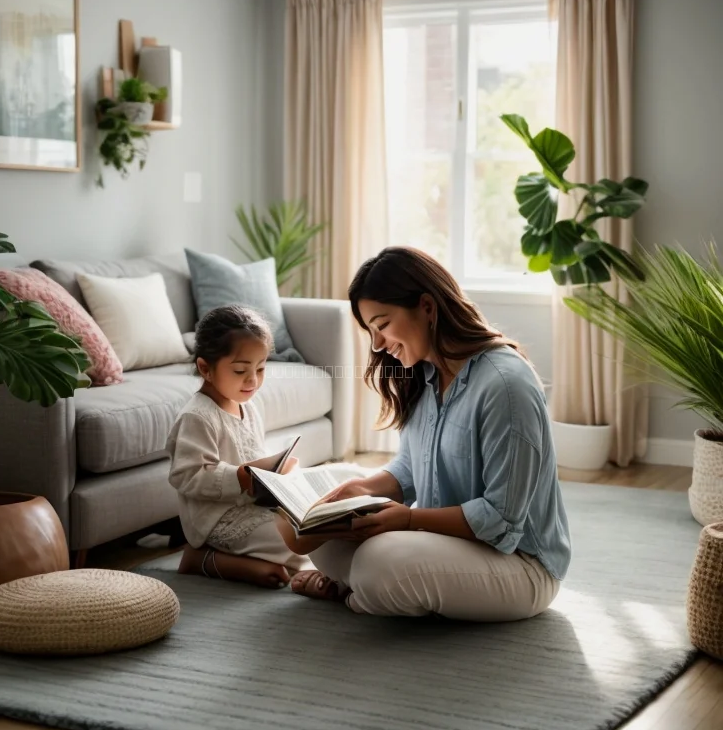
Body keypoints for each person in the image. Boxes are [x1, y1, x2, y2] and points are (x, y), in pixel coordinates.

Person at [279, 246, 572, 620]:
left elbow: (500, 519)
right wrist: (360, 490)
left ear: (427, 307)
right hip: (447, 544)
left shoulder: (505, 385)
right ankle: (369, 585)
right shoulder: (424, 375)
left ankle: (355, 589)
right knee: (309, 495)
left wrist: (409, 520)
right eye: (371, 331)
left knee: (377, 561)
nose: (377, 344)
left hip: (519, 564)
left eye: (382, 325)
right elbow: (410, 469)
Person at [166, 304, 306, 588]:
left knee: (311, 523)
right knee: (297, 542)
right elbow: (187, 475)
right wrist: (241, 476)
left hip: (252, 507)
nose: (253, 380)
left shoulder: (247, 405)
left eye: (261, 368)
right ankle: (201, 558)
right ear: (205, 369)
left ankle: (245, 564)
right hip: (217, 521)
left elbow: (251, 454)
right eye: (241, 370)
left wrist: (278, 474)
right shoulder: (197, 416)